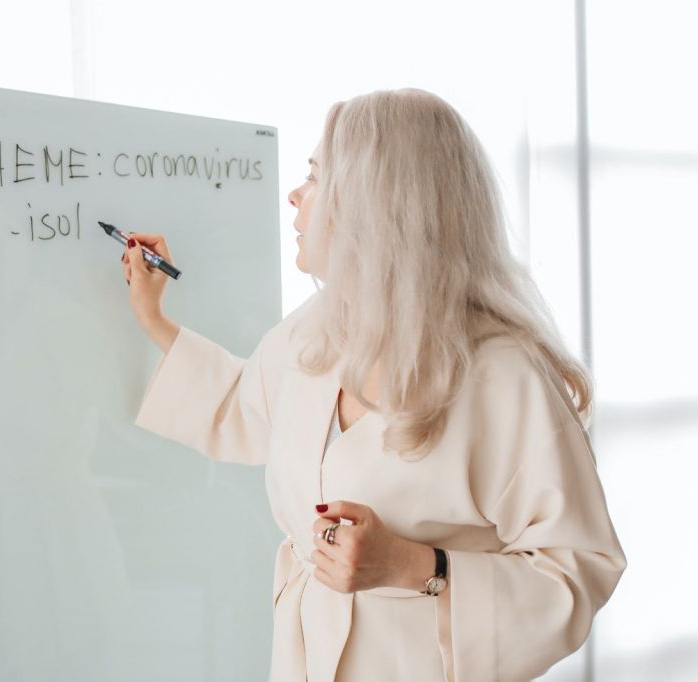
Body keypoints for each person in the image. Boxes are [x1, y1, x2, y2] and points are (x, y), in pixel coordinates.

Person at [120, 88, 626, 682]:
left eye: (314, 178)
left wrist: (416, 566)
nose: (294, 196)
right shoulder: (315, 332)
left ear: (374, 204)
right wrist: (155, 319)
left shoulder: (501, 374)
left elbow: (577, 569)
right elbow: (246, 408)